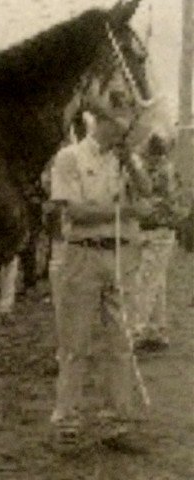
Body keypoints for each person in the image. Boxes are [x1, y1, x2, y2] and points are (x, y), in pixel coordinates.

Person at [47, 107, 153, 450]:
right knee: (75, 344)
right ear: (105, 122)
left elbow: (147, 191)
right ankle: (68, 422)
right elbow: (74, 212)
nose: (131, 132)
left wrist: (132, 164)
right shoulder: (70, 157)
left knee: (121, 343)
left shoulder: (124, 158)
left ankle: (116, 423)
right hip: (82, 255)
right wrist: (127, 212)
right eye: (125, 124)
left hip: (120, 256)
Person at [131, 136, 190, 350]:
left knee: (146, 280)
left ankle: (135, 330)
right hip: (153, 228)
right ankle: (157, 330)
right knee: (156, 280)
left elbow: (166, 203)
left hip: (160, 229)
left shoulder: (165, 170)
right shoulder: (151, 166)